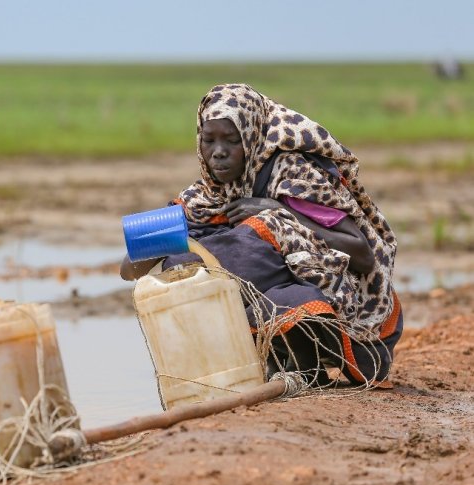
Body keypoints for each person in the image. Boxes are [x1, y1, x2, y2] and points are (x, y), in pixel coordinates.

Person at [120, 84, 403, 387]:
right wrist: (165, 243)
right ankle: (269, 363)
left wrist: (277, 210)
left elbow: (361, 253)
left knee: (260, 258)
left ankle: (306, 368)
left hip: (341, 309)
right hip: (267, 308)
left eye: (232, 141)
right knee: (187, 263)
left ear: (253, 136)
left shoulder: (294, 175)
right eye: (208, 140)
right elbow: (128, 267)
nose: (218, 153)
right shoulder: (202, 197)